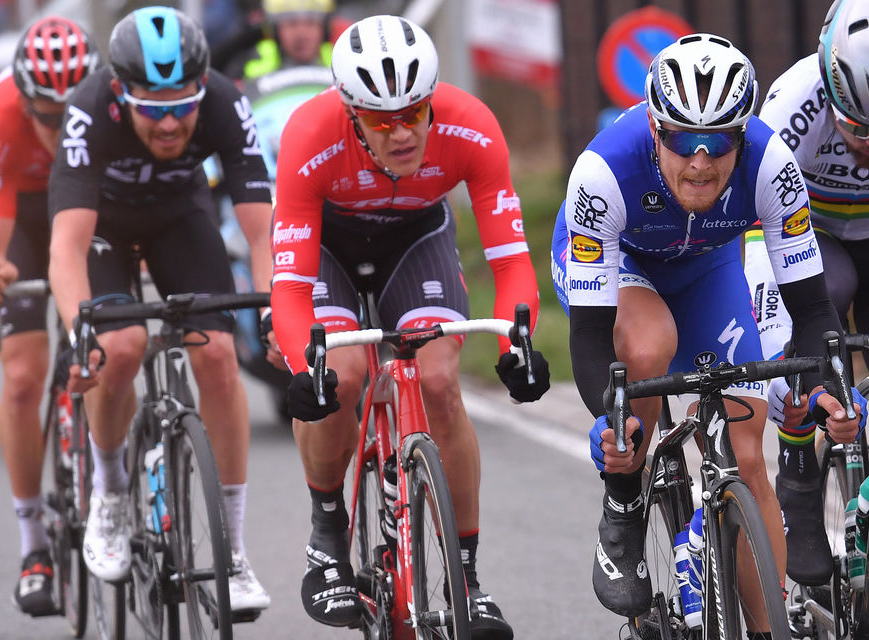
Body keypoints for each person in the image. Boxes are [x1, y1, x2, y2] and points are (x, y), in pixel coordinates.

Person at [549, 33, 866, 631]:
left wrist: (826, 391)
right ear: (653, 128)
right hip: (622, 265)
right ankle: (624, 500)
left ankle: (768, 624)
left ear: (741, 136)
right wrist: (609, 423)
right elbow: (592, 340)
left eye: (718, 142)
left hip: (707, 268)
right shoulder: (603, 172)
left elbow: (813, 309)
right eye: (681, 140)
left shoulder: (772, 165)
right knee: (647, 345)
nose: (700, 160)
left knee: (747, 456)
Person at [268, 14, 551, 639]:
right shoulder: (309, 135)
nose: (401, 133)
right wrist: (299, 367)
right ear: (350, 114)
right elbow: (288, 286)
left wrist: (516, 343)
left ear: (432, 103)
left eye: (414, 114)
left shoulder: (472, 126)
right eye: (378, 120)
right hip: (329, 249)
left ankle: (467, 580)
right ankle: (326, 534)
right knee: (336, 375)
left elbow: (511, 263)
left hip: (416, 239)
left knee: (441, 380)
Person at [47, 5, 273, 615]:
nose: (172, 122)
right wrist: (78, 335)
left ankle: (231, 551)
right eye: (154, 108)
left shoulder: (226, 100)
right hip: (104, 228)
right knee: (117, 348)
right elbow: (64, 249)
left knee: (221, 355)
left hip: (180, 216)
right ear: (123, 94)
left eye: (184, 104)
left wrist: (279, 315)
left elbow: (262, 234)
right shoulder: (89, 109)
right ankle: (111, 493)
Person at [0, 16, 97, 616]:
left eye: (71, 112)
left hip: (87, 207)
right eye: (47, 115)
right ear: (24, 99)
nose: (61, 126)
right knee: (23, 376)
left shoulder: (103, 110)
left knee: (109, 346)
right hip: (23, 215)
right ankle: (33, 545)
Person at [743, 0, 869, 588]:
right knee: (816, 309)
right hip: (807, 229)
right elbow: (761, 242)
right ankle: (796, 469)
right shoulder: (793, 105)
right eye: (859, 130)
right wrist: (790, 366)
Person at [239, 0, 334, 80]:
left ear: (325, 29)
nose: (301, 34)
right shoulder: (251, 61)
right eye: (292, 24)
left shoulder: (340, 59)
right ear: (274, 30)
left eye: (310, 23)